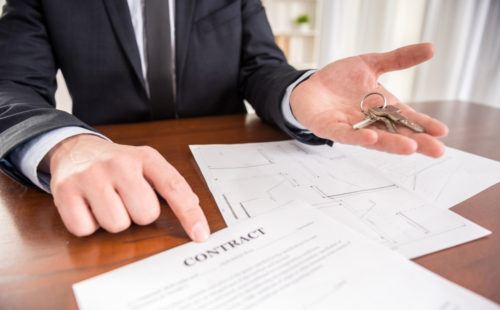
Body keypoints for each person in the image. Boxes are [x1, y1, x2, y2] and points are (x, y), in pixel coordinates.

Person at [0, 0, 447, 242]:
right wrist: (68, 146)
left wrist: (296, 93)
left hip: (233, 187)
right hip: (113, 182)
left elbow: (260, 66)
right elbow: (10, 85)